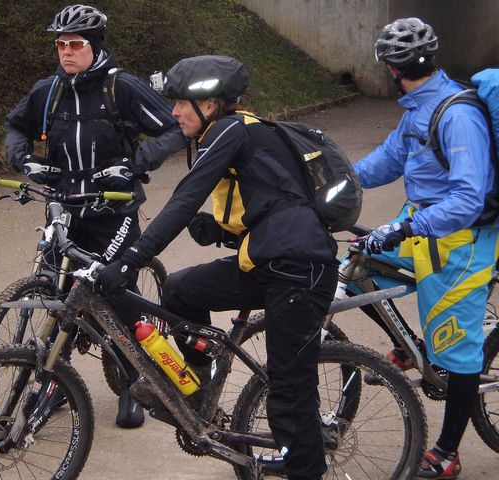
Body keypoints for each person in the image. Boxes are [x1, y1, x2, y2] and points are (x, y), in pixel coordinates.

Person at [98, 55, 339, 480]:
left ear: (209, 105)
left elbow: (184, 199)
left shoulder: (232, 129)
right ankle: (197, 386)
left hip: (301, 271)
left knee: (289, 395)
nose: (174, 112)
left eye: (180, 103)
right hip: (270, 263)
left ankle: (306, 470)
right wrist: (219, 229)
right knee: (180, 289)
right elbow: (271, 198)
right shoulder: (235, 131)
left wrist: (130, 260)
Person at [4, 4, 186, 429]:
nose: (66, 52)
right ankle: (54, 382)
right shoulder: (48, 90)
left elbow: (175, 128)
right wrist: (23, 160)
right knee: (58, 294)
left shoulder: (121, 88)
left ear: (94, 45)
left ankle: (133, 382)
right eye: (60, 45)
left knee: (117, 295)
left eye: (75, 44)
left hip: (114, 210)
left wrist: (136, 163)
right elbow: (15, 127)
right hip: (65, 207)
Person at [354, 18, 498, 478]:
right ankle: (411, 347)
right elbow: (388, 159)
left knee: (458, 350)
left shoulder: (457, 115)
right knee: (356, 267)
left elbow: (468, 199)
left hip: (462, 241)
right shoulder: (420, 107)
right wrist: (336, 183)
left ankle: (447, 453)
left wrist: (405, 227)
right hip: (423, 227)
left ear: (392, 68)